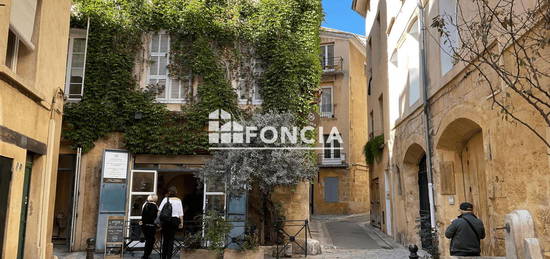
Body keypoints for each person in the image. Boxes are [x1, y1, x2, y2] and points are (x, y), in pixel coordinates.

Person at [158, 186, 184, 259]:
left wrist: (159, 221)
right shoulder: (179, 200)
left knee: (165, 239)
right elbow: (181, 214)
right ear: (176, 192)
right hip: (174, 221)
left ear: (169, 192)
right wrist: (182, 223)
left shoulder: (165, 199)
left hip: (165, 221)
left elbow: (159, 211)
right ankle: (169, 257)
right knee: (171, 239)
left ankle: (163, 257)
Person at [140, 194, 158, 259]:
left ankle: (146, 255)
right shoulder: (155, 206)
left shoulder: (145, 204)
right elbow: (155, 217)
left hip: (144, 225)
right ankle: (146, 255)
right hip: (151, 226)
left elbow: (142, 214)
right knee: (151, 241)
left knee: (148, 240)